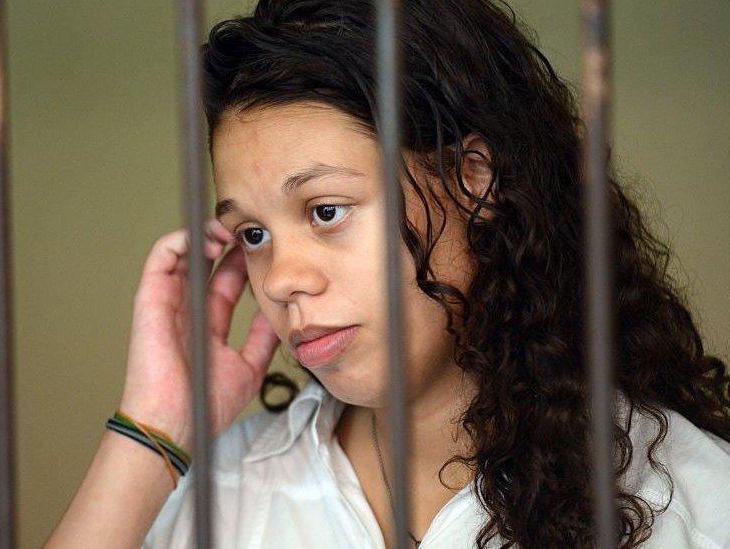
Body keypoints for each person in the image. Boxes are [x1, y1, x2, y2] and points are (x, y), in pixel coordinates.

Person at [43, 0, 730, 547]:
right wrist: (152, 429)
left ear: (472, 181)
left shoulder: (696, 502)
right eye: (253, 233)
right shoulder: (230, 486)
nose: (281, 279)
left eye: (326, 210)